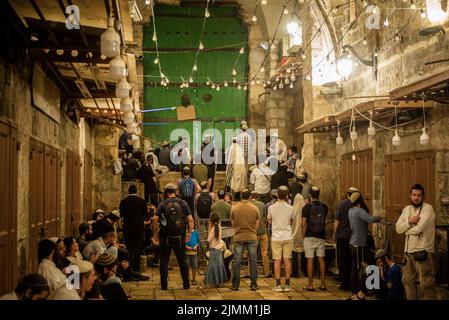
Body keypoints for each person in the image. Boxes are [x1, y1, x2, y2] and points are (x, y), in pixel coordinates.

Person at [395, 183, 436, 300]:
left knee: (427, 284)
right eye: (414, 195)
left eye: (419, 195)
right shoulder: (407, 210)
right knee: (407, 282)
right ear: (410, 196)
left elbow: (419, 228)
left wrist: (406, 230)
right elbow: (398, 228)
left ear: (423, 196)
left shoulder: (428, 209)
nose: (416, 197)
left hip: (423, 252)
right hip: (408, 252)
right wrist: (409, 222)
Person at [154, 183, 194, 290]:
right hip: (179, 236)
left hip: (165, 237)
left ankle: (164, 285)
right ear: (175, 192)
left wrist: (155, 233)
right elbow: (190, 220)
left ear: (166, 192)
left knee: (164, 261)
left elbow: (154, 219)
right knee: (182, 261)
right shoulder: (183, 203)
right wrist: (189, 234)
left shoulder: (163, 204)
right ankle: (186, 284)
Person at [347, 191, 384, 300]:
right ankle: (367, 290)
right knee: (371, 266)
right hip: (361, 244)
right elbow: (371, 219)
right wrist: (381, 218)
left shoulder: (351, 211)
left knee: (355, 268)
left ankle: (356, 291)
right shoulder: (359, 211)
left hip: (353, 243)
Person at [230, 189, 260, 291]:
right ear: (250, 197)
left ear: (241, 196)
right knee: (253, 260)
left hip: (239, 236)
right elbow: (257, 222)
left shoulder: (235, 207)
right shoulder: (254, 208)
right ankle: (254, 283)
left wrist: (237, 229)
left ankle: (235, 284)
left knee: (237, 261)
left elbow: (232, 222)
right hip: (251, 236)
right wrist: (253, 230)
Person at [268, 186, 294, 292]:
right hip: (287, 235)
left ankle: (278, 284)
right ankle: (287, 284)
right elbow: (291, 221)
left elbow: (269, 221)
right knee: (287, 260)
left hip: (276, 236)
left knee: (277, 261)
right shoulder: (291, 208)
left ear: (277, 195)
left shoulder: (271, 207)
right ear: (287, 196)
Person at [332, 186, 359, 291]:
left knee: (342, 260)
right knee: (352, 260)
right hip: (353, 236)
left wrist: (334, 234)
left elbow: (337, 220)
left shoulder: (342, 204)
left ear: (347, 194)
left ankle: (344, 283)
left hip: (342, 236)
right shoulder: (357, 205)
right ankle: (352, 283)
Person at [302, 186, 328, 291]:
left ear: (310, 195)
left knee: (310, 260)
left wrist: (303, 236)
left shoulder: (306, 208)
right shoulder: (324, 207)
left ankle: (310, 284)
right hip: (321, 236)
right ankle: (323, 284)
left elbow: (303, 224)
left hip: (309, 236)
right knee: (321, 259)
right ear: (319, 195)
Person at [119, 185, 149, 274]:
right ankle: (136, 269)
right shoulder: (142, 201)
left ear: (129, 191)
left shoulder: (124, 201)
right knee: (137, 249)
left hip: (127, 228)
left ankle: (129, 268)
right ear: (136, 191)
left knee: (129, 249)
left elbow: (121, 214)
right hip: (139, 228)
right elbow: (146, 215)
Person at [250, 191, 270, 278]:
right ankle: (267, 272)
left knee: (251, 253)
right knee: (264, 253)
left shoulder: (248, 205)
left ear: (251, 196)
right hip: (262, 231)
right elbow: (265, 217)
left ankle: (251, 272)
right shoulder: (262, 205)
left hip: (252, 232)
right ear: (257, 197)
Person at [204, 213, 228, 287]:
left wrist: (209, 229)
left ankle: (214, 281)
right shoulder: (219, 227)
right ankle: (219, 281)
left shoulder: (213, 228)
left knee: (213, 266)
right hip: (219, 248)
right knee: (219, 265)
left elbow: (208, 239)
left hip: (213, 249)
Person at [291, 185, 306, 278]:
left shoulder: (293, 207)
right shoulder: (304, 206)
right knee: (304, 251)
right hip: (303, 233)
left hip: (294, 233)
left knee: (294, 252)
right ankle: (305, 271)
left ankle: (295, 272)